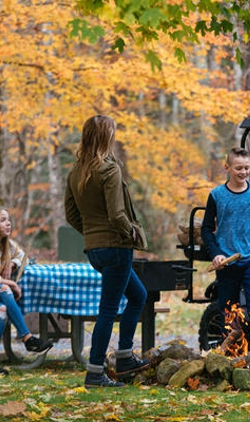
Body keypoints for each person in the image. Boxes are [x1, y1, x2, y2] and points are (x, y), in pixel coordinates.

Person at [64, 115, 149, 388]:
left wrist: (91, 234)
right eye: (112, 133)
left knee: (138, 296)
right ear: (105, 138)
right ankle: (94, 372)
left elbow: (71, 215)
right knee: (108, 310)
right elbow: (117, 214)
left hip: (96, 250)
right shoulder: (109, 169)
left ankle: (124, 357)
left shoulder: (76, 171)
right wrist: (132, 233)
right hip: (116, 247)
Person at [201, 147, 250, 357]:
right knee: (228, 310)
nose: (243, 172)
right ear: (227, 167)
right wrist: (215, 253)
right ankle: (230, 355)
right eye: (238, 168)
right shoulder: (217, 195)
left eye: (247, 168)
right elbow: (206, 229)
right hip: (227, 262)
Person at [0, 208, 54, 375]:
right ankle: (28, 339)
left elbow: (23, 255)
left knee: (2, 310)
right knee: (6, 288)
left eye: (8, 219)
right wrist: (13, 284)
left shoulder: (7, 245)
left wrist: (13, 263)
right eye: (2, 220)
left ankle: (28, 340)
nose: (8, 223)